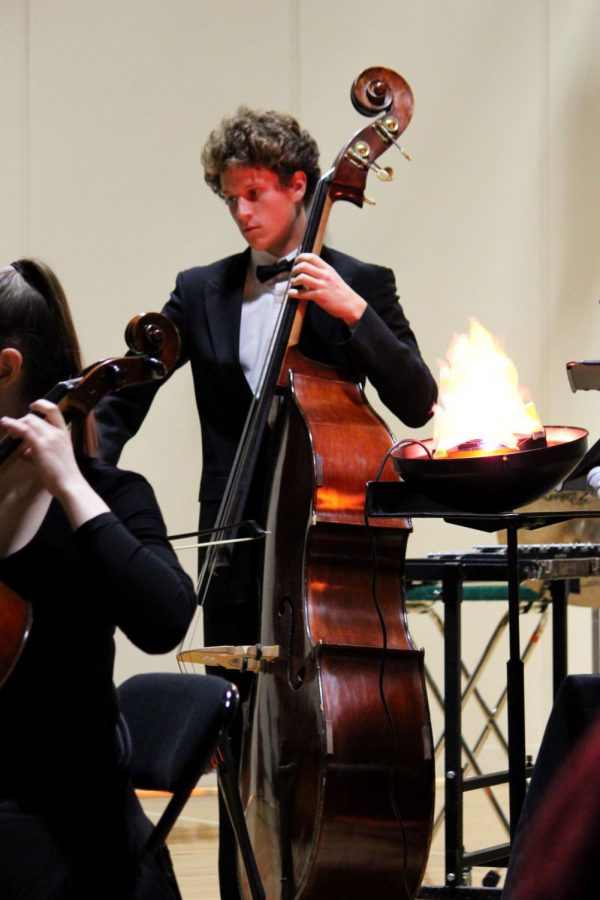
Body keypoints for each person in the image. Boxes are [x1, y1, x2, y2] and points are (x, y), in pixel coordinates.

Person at [95, 106, 438, 898]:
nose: (243, 212)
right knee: (240, 748)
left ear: (299, 187)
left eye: (255, 194)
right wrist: (85, 467)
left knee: (322, 742)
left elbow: (417, 400)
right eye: (229, 200)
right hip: (237, 550)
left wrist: (349, 309)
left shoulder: (363, 283)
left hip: (323, 555)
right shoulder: (200, 290)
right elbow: (125, 400)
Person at [0, 259, 197, 899]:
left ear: (5, 368)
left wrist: (71, 485)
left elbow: (164, 619)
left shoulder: (112, 496)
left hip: (77, 839)